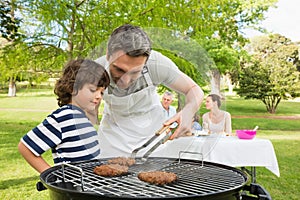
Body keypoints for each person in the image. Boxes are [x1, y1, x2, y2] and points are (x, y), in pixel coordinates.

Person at [96, 24, 204, 157]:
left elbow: (194, 90)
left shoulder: (157, 64)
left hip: (152, 138)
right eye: (119, 70)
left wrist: (188, 112)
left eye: (135, 72)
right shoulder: (95, 70)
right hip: (111, 139)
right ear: (108, 55)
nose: (126, 80)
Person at [17, 59, 110, 173]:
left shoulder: (83, 117)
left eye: (101, 92)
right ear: (72, 88)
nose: (99, 96)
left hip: (90, 188)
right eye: (93, 90)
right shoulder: (64, 117)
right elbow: (25, 147)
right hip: (72, 189)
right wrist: (51, 175)